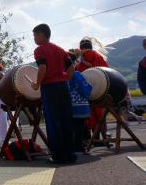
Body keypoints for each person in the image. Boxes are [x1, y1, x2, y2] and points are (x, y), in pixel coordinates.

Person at [31, 24, 76, 164]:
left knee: (53, 122)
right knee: (66, 120)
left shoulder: (39, 50)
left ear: (41, 35)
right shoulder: (60, 50)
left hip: (50, 88)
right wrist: (64, 79)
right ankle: (70, 154)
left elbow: (43, 67)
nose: (34, 38)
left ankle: (58, 156)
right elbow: (71, 68)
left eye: (35, 35)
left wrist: (37, 83)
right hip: (63, 87)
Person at [75, 38, 110, 143]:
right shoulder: (98, 57)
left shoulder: (79, 59)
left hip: (84, 92)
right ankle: (101, 138)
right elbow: (107, 71)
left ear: (81, 47)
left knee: (87, 115)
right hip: (100, 90)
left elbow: (76, 74)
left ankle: (88, 138)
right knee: (99, 114)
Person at [68, 52, 92, 154]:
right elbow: (85, 89)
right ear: (74, 62)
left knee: (72, 127)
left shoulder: (63, 76)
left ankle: (72, 147)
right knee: (79, 127)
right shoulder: (77, 75)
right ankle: (78, 147)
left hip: (69, 106)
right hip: (80, 106)